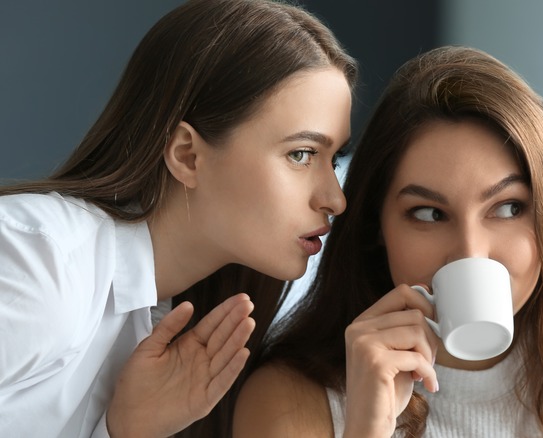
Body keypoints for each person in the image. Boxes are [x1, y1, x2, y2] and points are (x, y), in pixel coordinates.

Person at [232, 46, 543, 437]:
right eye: (428, 214)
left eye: (509, 208)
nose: (472, 251)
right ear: (375, 231)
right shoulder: (290, 402)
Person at [0, 0, 356, 436]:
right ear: (187, 154)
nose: (335, 199)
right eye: (301, 154)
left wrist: (124, 431)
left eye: (333, 160)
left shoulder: (190, 332)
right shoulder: (38, 264)